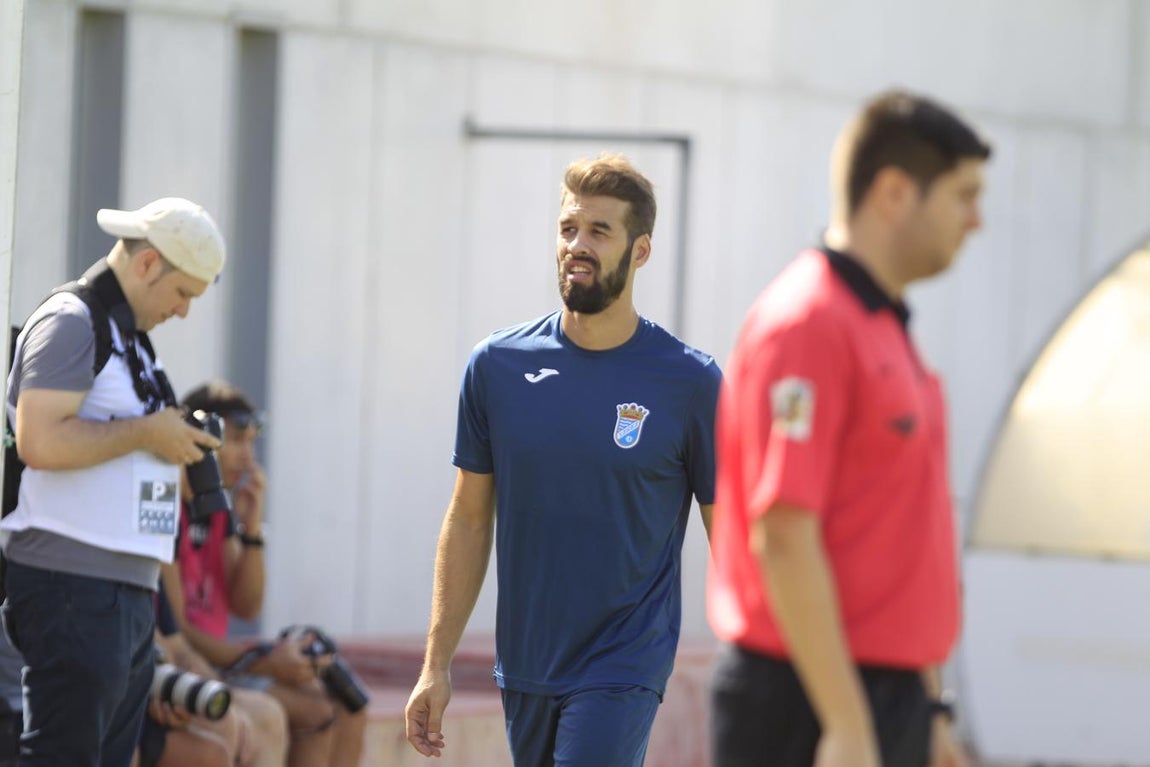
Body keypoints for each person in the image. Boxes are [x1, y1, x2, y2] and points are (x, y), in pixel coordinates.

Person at [405, 153, 722, 766]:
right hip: (527, 662)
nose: (577, 244)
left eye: (600, 231)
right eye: (568, 228)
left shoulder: (689, 382)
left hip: (626, 662)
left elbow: (729, 531)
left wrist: (764, 662)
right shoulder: (496, 366)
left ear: (641, 251)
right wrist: (434, 664)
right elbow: (469, 519)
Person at [707, 89, 992, 767]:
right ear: (895, 192)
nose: (977, 220)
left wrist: (930, 711)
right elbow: (783, 531)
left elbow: (892, 536)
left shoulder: (882, 324)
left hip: (876, 698)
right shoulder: (809, 322)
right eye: (963, 195)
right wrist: (847, 723)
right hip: (805, 703)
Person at [0, 197, 226, 766]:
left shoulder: (130, 341)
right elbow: (40, 441)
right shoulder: (71, 319)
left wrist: (168, 441)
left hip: (124, 592)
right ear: (148, 263)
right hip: (72, 584)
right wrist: (148, 434)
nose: (184, 313)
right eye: (183, 294)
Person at [162, 380, 366, 767]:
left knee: (348, 705)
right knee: (303, 710)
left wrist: (252, 530)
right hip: (189, 664)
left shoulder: (219, 508)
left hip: (219, 661)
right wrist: (264, 661)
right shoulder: (169, 503)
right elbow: (179, 630)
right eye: (237, 439)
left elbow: (246, 604)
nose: (248, 456)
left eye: (252, 441)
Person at [135, 583, 288, 767]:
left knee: (268, 713)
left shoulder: (152, 567)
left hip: (157, 686)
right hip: (128, 701)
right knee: (222, 734)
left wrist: (215, 690)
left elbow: (177, 645)